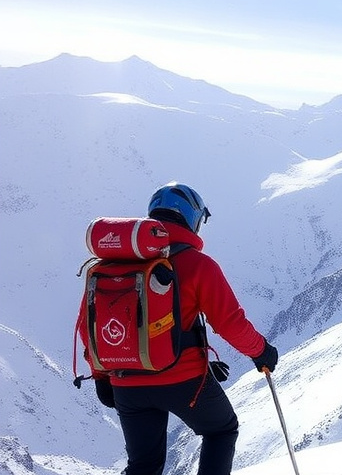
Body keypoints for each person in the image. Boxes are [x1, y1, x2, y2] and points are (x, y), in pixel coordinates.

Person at [80, 182, 280, 475]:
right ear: (192, 219)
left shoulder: (109, 266)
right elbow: (229, 323)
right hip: (183, 379)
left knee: (143, 465)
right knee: (221, 431)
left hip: (126, 383)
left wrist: (101, 377)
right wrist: (261, 351)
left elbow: (89, 325)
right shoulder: (198, 264)